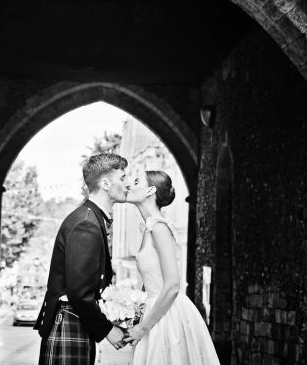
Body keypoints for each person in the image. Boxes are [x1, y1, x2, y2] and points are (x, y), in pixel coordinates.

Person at [35, 153, 130, 364]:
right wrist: (107, 330)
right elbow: (79, 292)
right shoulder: (86, 223)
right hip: (70, 319)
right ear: (105, 183)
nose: (127, 184)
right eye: (122, 178)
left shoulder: (90, 217)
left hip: (75, 319)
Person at [123, 170, 221, 365]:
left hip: (167, 316)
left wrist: (144, 327)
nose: (128, 185)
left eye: (135, 181)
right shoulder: (150, 228)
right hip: (154, 310)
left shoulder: (159, 228)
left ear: (150, 190)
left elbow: (173, 285)